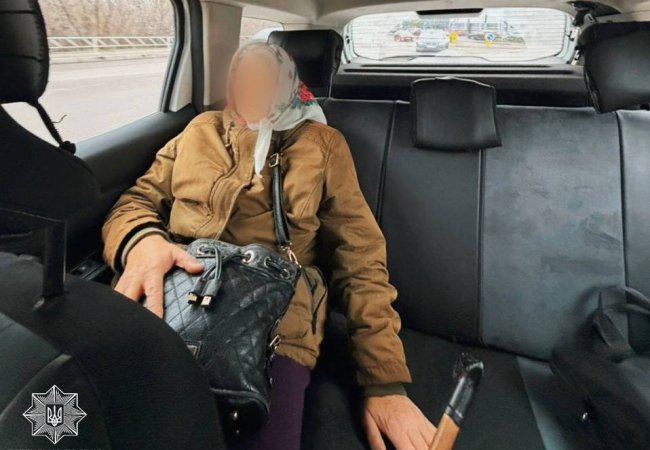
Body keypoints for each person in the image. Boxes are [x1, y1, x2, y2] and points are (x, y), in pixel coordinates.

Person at [102, 41, 435, 450]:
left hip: (277, 313)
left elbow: (360, 261)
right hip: (174, 290)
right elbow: (136, 202)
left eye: (264, 79)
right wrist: (143, 241)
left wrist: (384, 383)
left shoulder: (323, 145)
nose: (251, 89)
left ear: (287, 82)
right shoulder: (199, 130)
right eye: (243, 77)